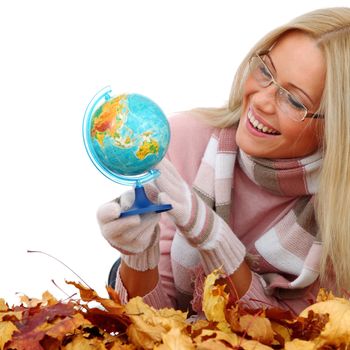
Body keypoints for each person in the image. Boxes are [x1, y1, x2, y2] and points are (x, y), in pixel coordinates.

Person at [97, 7, 350, 316]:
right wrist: (137, 256)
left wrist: (212, 237)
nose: (261, 100)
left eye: (294, 100)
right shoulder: (186, 141)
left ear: (337, 127)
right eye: (266, 72)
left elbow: (290, 336)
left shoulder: (341, 216)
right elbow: (151, 325)